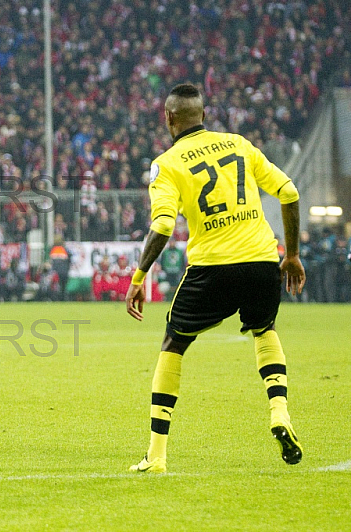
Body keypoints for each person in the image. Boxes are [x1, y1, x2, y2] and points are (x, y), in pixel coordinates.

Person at [125, 84, 305, 473]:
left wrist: (139, 276)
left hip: (212, 267)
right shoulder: (239, 144)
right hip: (261, 259)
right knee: (264, 329)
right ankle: (280, 412)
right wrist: (290, 255)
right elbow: (289, 192)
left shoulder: (166, 163)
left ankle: (156, 455)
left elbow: (162, 226)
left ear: (169, 118)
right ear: (202, 115)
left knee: (174, 343)